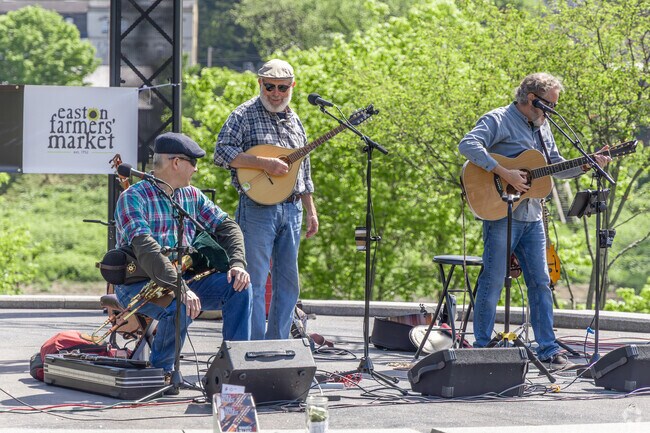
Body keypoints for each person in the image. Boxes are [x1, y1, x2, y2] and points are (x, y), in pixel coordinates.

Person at [458, 72, 610, 369]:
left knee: (540, 281)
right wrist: (504, 172)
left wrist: (586, 165)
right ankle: (482, 346)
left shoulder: (544, 126)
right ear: (531, 98)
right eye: (549, 104)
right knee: (492, 279)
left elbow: (555, 167)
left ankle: (548, 348)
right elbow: (468, 145)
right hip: (501, 212)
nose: (552, 110)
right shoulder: (498, 119)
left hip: (533, 215)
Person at [114, 132, 252, 381]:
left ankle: (235, 367)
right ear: (176, 162)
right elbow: (147, 249)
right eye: (193, 162)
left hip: (183, 278)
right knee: (179, 306)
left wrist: (238, 264)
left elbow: (228, 227)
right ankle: (161, 372)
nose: (197, 170)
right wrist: (181, 287)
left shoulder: (192, 196)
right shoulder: (132, 198)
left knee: (239, 287)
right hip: (138, 282)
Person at [214, 59, 318, 340]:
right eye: (269, 86)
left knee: (288, 284)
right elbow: (221, 152)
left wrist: (310, 210)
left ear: (291, 87)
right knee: (255, 282)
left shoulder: (295, 120)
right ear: (260, 83)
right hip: (257, 209)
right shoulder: (243, 114)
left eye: (282, 87)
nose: (275, 93)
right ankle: (255, 348)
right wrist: (263, 163)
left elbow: (303, 169)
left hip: (293, 209)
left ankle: (280, 345)